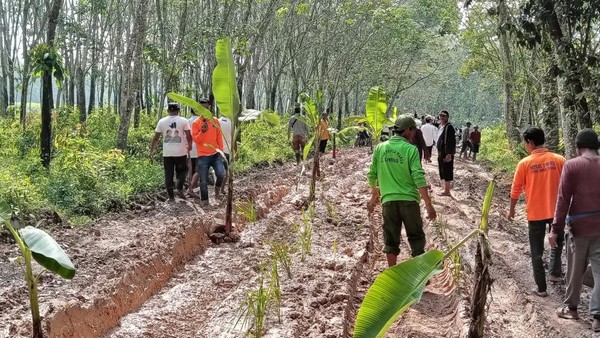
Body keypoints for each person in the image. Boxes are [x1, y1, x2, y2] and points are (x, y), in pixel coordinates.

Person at [367, 114, 436, 267]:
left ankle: (393, 273)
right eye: (414, 130)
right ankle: (419, 274)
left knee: (390, 238)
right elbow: (418, 177)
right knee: (416, 237)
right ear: (407, 131)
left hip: (389, 202)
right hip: (409, 202)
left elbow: (372, 174)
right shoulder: (410, 150)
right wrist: (428, 204)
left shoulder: (380, 148)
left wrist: (374, 196)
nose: (415, 133)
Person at [549, 129, 600, 331]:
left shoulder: (572, 165)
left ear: (579, 147)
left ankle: (572, 308)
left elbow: (563, 199)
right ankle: (598, 317)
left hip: (579, 228)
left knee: (575, 270)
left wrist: (555, 229)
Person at [508, 127, 566, 297]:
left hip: (535, 213)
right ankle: (555, 274)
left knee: (536, 251)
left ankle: (541, 288)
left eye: (525, 143)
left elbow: (516, 189)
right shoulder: (559, 160)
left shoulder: (525, 163)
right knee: (557, 242)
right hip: (557, 211)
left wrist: (511, 210)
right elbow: (567, 185)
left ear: (530, 143)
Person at [149, 102, 192, 201]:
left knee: (168, 174)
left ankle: (171, 197)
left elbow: (156, 138)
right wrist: (189, 146)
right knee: (183, 170)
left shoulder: (162, 121)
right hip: (180, 152)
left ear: (168, 111)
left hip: (167, 153)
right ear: (178, 110)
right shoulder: (184, 121)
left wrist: (151, 151)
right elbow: (189, 136)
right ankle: (179, 188)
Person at [191, 104, 225, 206]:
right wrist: (202, 132)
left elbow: (219, 136)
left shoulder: (215, 121)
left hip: (215, 154)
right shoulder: (196, 123)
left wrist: (221, 152)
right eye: (202, 107)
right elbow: (196, 140)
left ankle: (217, 189)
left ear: (210, 107)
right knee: (203, 180)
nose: (205, 109)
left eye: (207, 107)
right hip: (203, 155)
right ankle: (205, 201)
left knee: (221, 174)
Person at [436, 110, 456, 196]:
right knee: (443, 170)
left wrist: (449, 154)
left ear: (447, 117)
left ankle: (447, 191)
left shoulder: (449, 127)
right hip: (441, 152)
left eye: (444, 116)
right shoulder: (442, 126)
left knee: (447, 170)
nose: (442, 117)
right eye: (440, 115)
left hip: (446, 152)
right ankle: (445, 189)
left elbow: (451, 141)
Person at [219, 113, 233, 195]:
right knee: (226, 171)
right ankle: (222, 189)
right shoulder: (231, 123)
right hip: (227, 150)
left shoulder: (217, 121)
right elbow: (233, 138)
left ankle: (217, 188)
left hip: (217, 149)